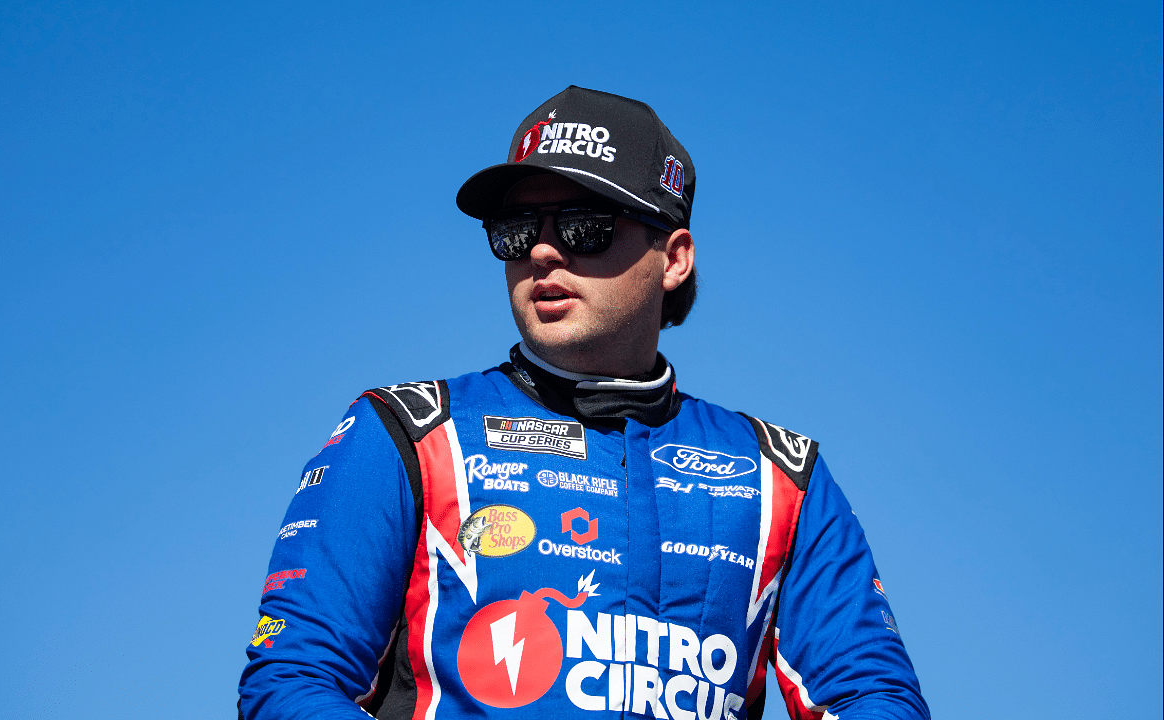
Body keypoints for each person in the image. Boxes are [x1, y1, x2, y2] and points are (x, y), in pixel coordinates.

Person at [238, 86, 929, 720]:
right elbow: (293, 682)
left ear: (675, 257)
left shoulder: (783, 476)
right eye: (514, 229)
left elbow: (872, 694)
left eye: (584, 224)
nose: (541, 251)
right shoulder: (405, 434)